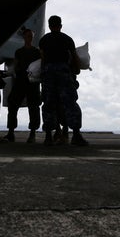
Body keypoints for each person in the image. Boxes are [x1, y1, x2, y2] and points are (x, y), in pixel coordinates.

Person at [39, 15, 87, 146]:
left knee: (48, 103)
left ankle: (48, 136)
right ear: (60, 25)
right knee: (70, 102)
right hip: (63, 71)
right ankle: (76, 135)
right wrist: (76, 70)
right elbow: (75, 57)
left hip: (48, 72)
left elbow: (43, 59)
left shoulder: (43, 40)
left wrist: (42, 74)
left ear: (49, 26)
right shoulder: (67, 39)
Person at [5, 28, 42, 143]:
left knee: (34, 107)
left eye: (30, 36)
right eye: (27, 36)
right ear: (24, 37)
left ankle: (32, 133)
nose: (29, 38)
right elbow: (15, 66)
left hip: (33, 83)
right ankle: (11, 132)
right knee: (12, 105)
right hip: (21, 81)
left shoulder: (37, 52)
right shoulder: (19, 52)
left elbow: (40, 65)